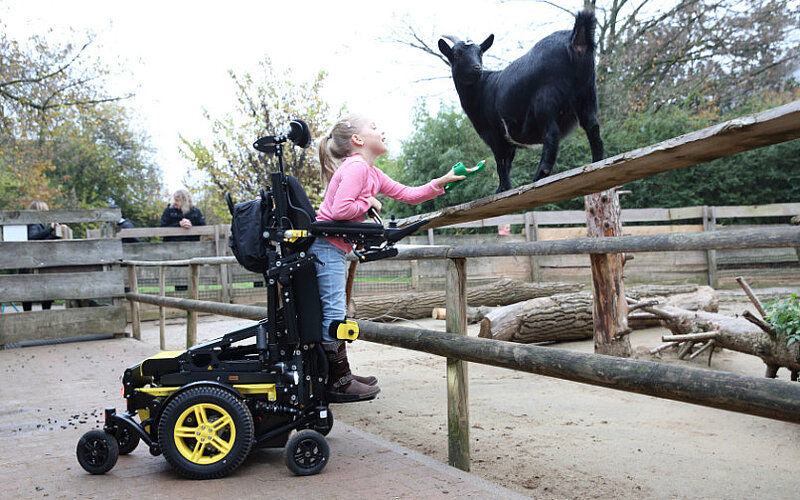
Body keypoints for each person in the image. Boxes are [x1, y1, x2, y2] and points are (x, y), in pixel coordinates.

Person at [313, 114, 465, 402]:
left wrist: (442, 181)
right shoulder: (356, 167)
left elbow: (408, 194)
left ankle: (339, 374)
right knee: (334, 313)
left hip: (333, 249)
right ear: (358, 140)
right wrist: (369, 201)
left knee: (336, 310)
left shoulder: (371, 171)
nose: (381, 130)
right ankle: (339, 380)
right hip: (326, 249)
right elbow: (340, 210)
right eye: (373, 127)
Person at [22, 201, 68, 311]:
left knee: (31, 292)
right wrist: (50, 229)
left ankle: (31, 314)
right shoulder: (34, 224)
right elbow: (33, 238)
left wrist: (55, 236)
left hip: (32, 263)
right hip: (32, 264)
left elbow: (42, 240)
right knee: (37, 291)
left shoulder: (36, 225)